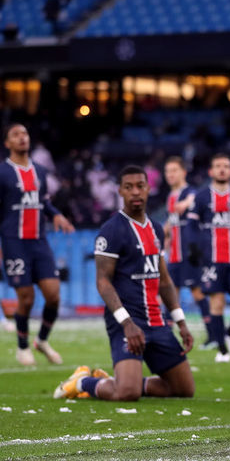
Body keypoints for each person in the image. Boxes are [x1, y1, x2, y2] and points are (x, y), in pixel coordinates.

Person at [53, 165, 195, 400]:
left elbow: (165, 281)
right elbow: (103, 282)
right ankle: (84, 382)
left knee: (183, 390)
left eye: (140, 186)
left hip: (156, 321)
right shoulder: (111, 231)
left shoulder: (156, 229)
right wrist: (127, 323)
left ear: (148, 189)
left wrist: (180, 321)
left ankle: (114, 380)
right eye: (129, 187)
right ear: (120, 191)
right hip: (126, 321)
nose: (135, 192)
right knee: (127, 393)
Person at [0, 123, 75, 366]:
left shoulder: (40, 171)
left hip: (39, 241)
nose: (22, 138)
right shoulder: (2, 172)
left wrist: (56, 214)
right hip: (14, 241)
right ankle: (22, 347)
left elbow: (42, 201)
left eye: (25, 133)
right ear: (7, 143)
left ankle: (41, 340)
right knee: (27, 297)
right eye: (16, 135)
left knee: (53, 296)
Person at [189, 154, 230, 363]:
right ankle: (223, 351)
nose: (222, 169)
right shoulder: (201, 197)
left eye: (226, 166)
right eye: (218, 166)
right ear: (211, 171)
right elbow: (191, 226)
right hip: (211, 260)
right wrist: (194, 250)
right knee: (216, 305)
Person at [163, 156, 214, 348]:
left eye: (174, 170)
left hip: (189, 253)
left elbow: (196, 196)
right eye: (168, 171)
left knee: (198, 293)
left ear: (183, 172)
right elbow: (171, 221)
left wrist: (186, 203)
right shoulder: (170, 196)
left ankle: (213, 334)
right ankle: (166, 336)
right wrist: (163, 236)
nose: (170, 175)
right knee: (169, 294)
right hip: (174, 255)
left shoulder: (189, 192)